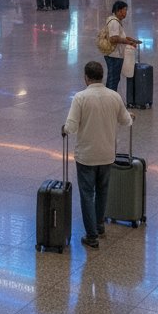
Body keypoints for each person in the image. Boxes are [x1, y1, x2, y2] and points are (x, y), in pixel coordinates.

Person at [63, 60, 133, 249]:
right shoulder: (114, 96)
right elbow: (126, 121)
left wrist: (64, 128)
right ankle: (100, 226)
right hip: (107, 154)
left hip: (86, 155)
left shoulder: (80, 98)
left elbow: (71, 126)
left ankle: (91, 235)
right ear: (102, 76)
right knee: (103, 191)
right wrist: (128, 115)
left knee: (87, 194)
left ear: (86, 78)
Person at [99, 0, 141, 93]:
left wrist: (132, 40)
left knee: (114, 78)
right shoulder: (114, 22)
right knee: (113, 79)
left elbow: (120, 36)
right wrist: (128, 42)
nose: (126, 12)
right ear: (118, 11)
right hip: (114, 55)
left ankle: (110, 98)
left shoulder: (116, 22)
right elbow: (114, 38)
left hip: (115, 55)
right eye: (124, 10)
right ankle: (109, 100)